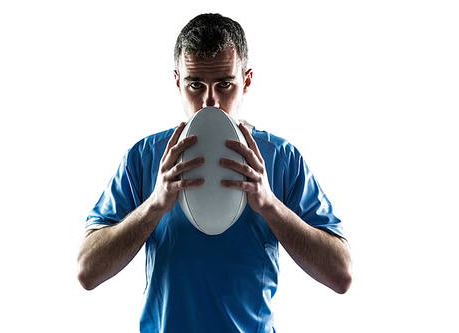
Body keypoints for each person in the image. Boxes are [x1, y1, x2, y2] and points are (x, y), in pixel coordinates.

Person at [77, 13, 353, 333]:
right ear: (178, 82)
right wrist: (154, 205)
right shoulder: (144, 157)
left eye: (224, 84)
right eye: (196, 84)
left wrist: (269, 205)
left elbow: (342, 274)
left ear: (246, 81)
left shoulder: (281, 158)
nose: (211, 102)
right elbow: (87, 270)